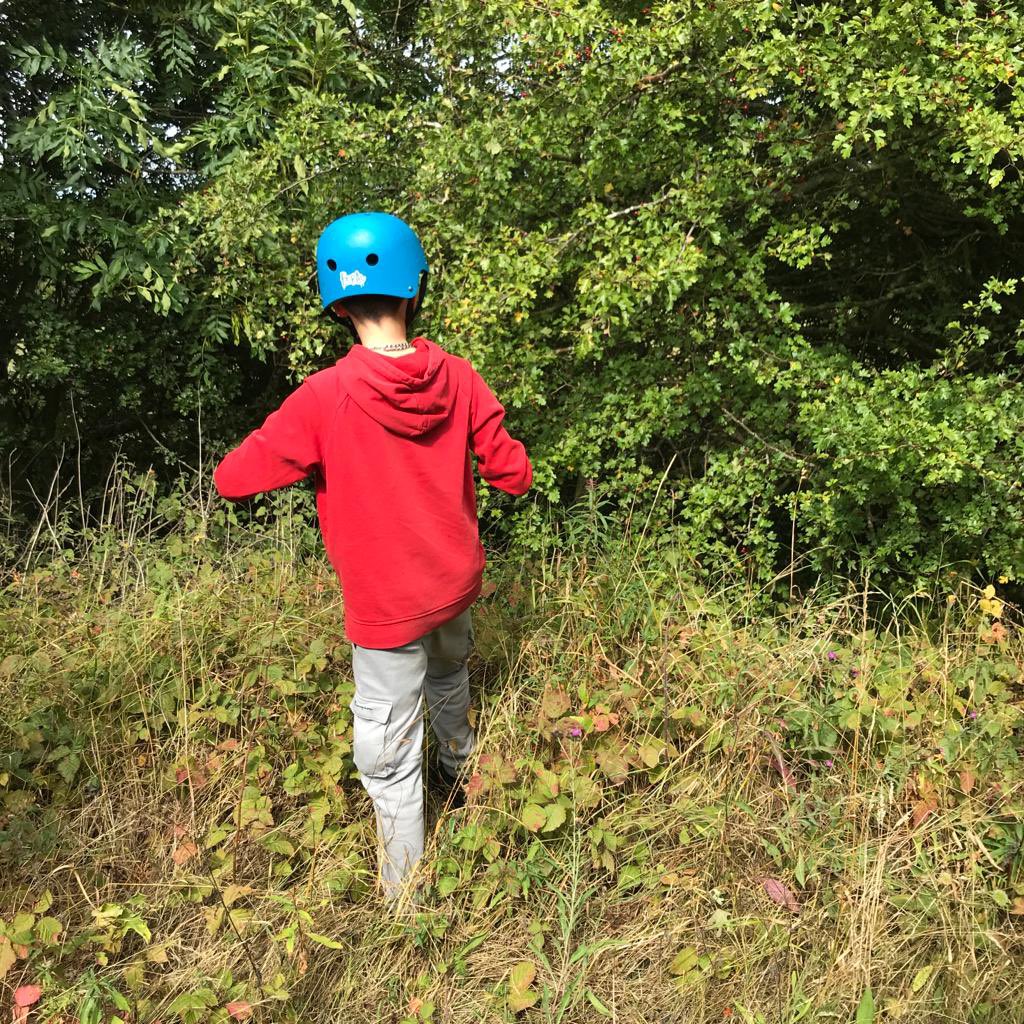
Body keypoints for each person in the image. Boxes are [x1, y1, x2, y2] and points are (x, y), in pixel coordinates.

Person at [212, 210, 533, 906]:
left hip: (386, 608)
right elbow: (515, 474)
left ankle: (405, 902)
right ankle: (457, 769)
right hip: (454, 583)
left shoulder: (323, 398)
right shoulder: (461, 376)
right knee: (449, 673)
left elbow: (233, 479)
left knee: (385, 761)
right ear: (416, 287)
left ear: (334, 301)